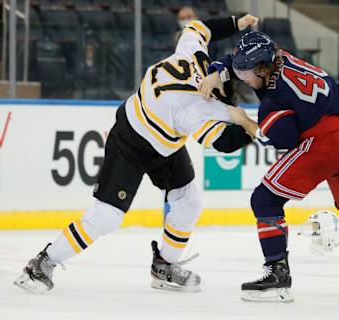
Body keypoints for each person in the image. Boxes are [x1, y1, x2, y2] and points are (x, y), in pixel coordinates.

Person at [14, 15, 259, 294]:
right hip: (130, 143)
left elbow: (198, 27)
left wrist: (235, 22)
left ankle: (165, 265)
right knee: (107, 216)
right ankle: (42, 262)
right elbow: (224, 142)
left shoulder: (192, 54)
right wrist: (250, 125)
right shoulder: (196, 108)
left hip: (163, 140)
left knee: (188, 200)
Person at [199, 31, 339, 305]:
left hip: (324, 145)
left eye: (245, 72)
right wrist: (218, 71)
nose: (241, 76)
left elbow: (278, 139)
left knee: (264, 199)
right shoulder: (283, 58)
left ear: (262, 69)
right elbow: (243, 57)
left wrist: (243, 120)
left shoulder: (274, 99)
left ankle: (277, 276)